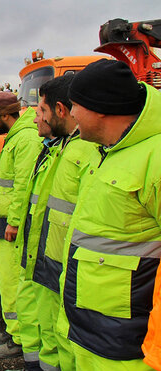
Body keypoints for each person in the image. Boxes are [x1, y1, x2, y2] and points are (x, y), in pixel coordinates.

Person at [44, 59, 160, 369]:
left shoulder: (156, 158)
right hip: (87, 325)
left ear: (101, 109)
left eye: (76, 106)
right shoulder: (104, 152)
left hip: (126, 343)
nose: (73, 115)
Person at [17, 75, 100, 371]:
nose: (35, 117)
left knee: (63, 338)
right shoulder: (61, 148)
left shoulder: (86, 153)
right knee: (51, 332)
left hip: (65, 266)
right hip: (49, 259)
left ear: (61, 110)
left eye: (41, 110)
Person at [0, 92, 41, 358]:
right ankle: (13, 328)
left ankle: (19, 338)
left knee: (14, 281)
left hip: (11, 221)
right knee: (7, 280)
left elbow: (23, 186)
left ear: (4, 115)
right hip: (4, 216)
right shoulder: (18, 136)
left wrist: (15, 221)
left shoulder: (26, 139)